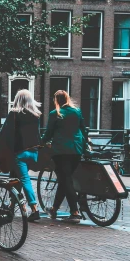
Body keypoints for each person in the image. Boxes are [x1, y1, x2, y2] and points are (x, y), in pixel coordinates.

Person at [0, 89, 42, 222]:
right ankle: (11, 205)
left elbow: (6, 134)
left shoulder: (14, 114)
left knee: (24, 179)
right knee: (17, 177)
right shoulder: (36, 115)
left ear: (17, 100)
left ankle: (34, 209)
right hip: (33, 153)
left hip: (20, 153)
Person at [41, 90, 87, 223]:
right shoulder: (77, 112)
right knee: (64, 179)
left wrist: (41, 143)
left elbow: (48, 133)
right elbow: (83, 129)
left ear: (56, 100)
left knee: (66, 180)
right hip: (76, 150)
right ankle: (54, 209)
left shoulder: (55, 114)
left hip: (61, 151)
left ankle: (75, 212)